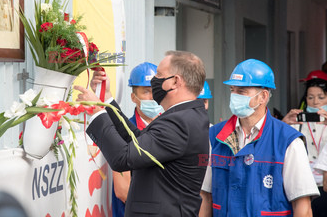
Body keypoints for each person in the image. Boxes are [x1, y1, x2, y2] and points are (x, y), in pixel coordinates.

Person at [76, 50, 209, 217]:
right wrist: (107, 101)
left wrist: (97, 112)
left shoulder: (179, 122)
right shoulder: (187, 116)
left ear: (175, 81)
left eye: (159, 75)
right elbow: (138, 141)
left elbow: (122, 157)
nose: (154, 81)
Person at [199, 59, 319, 217]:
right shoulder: (214, 136)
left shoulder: (288, 141)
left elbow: (302, 206)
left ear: (263, 96)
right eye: (232, 90)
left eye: (241, 92)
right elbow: (205, 196)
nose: (234, 96)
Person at [110, 62, 161, 217]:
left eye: (155, 91)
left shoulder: (170, 128)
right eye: (146, 91)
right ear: (133, 97)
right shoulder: (122, 132)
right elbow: (122, 190)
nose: (152, 97)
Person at [282, 70, 327, 217]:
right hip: (304, 184)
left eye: (321, 97)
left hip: (324, 185)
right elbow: (279, 145)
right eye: (310, 97)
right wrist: (283, 124)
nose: (315, 102)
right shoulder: (296, 123)